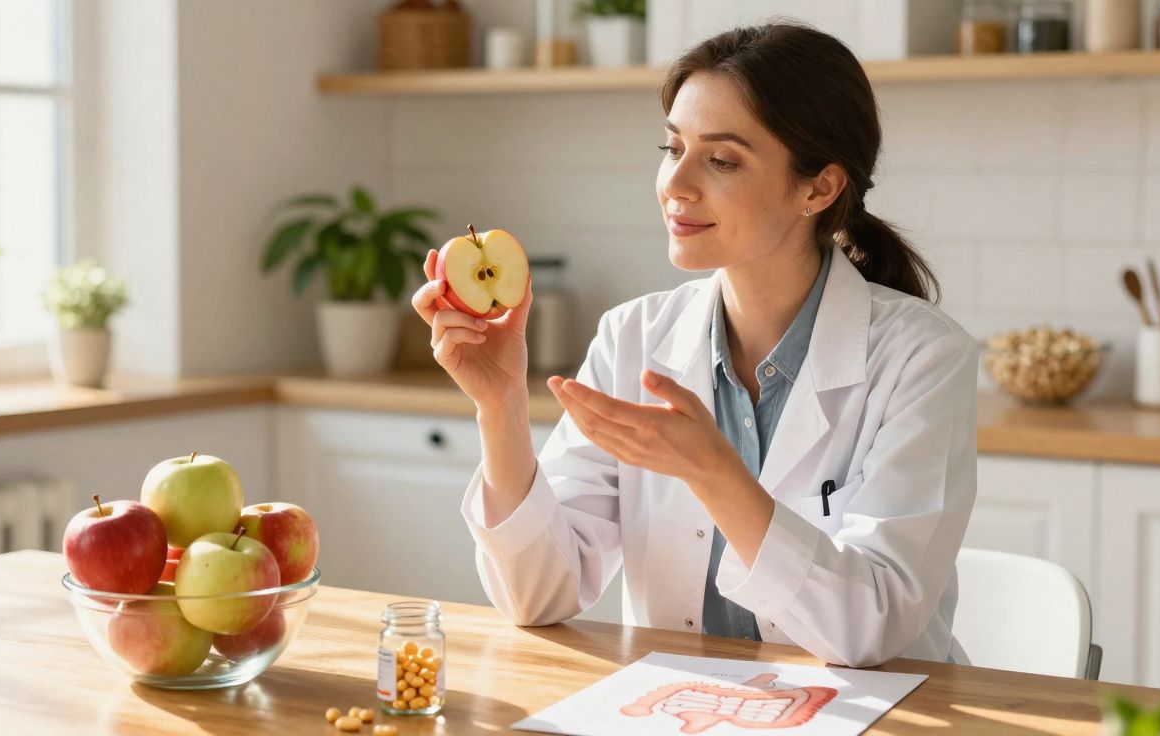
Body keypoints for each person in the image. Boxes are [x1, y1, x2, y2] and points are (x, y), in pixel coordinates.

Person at [410, 21, 978, 668]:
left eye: (722, 159)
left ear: (818, 188)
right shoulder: (634, 337)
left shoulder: (922, 359)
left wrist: (714, 471)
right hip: (683, 708)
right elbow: (538, 595)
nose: (675, 184)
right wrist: (500, 405)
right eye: (671, 146)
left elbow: (870, 629)